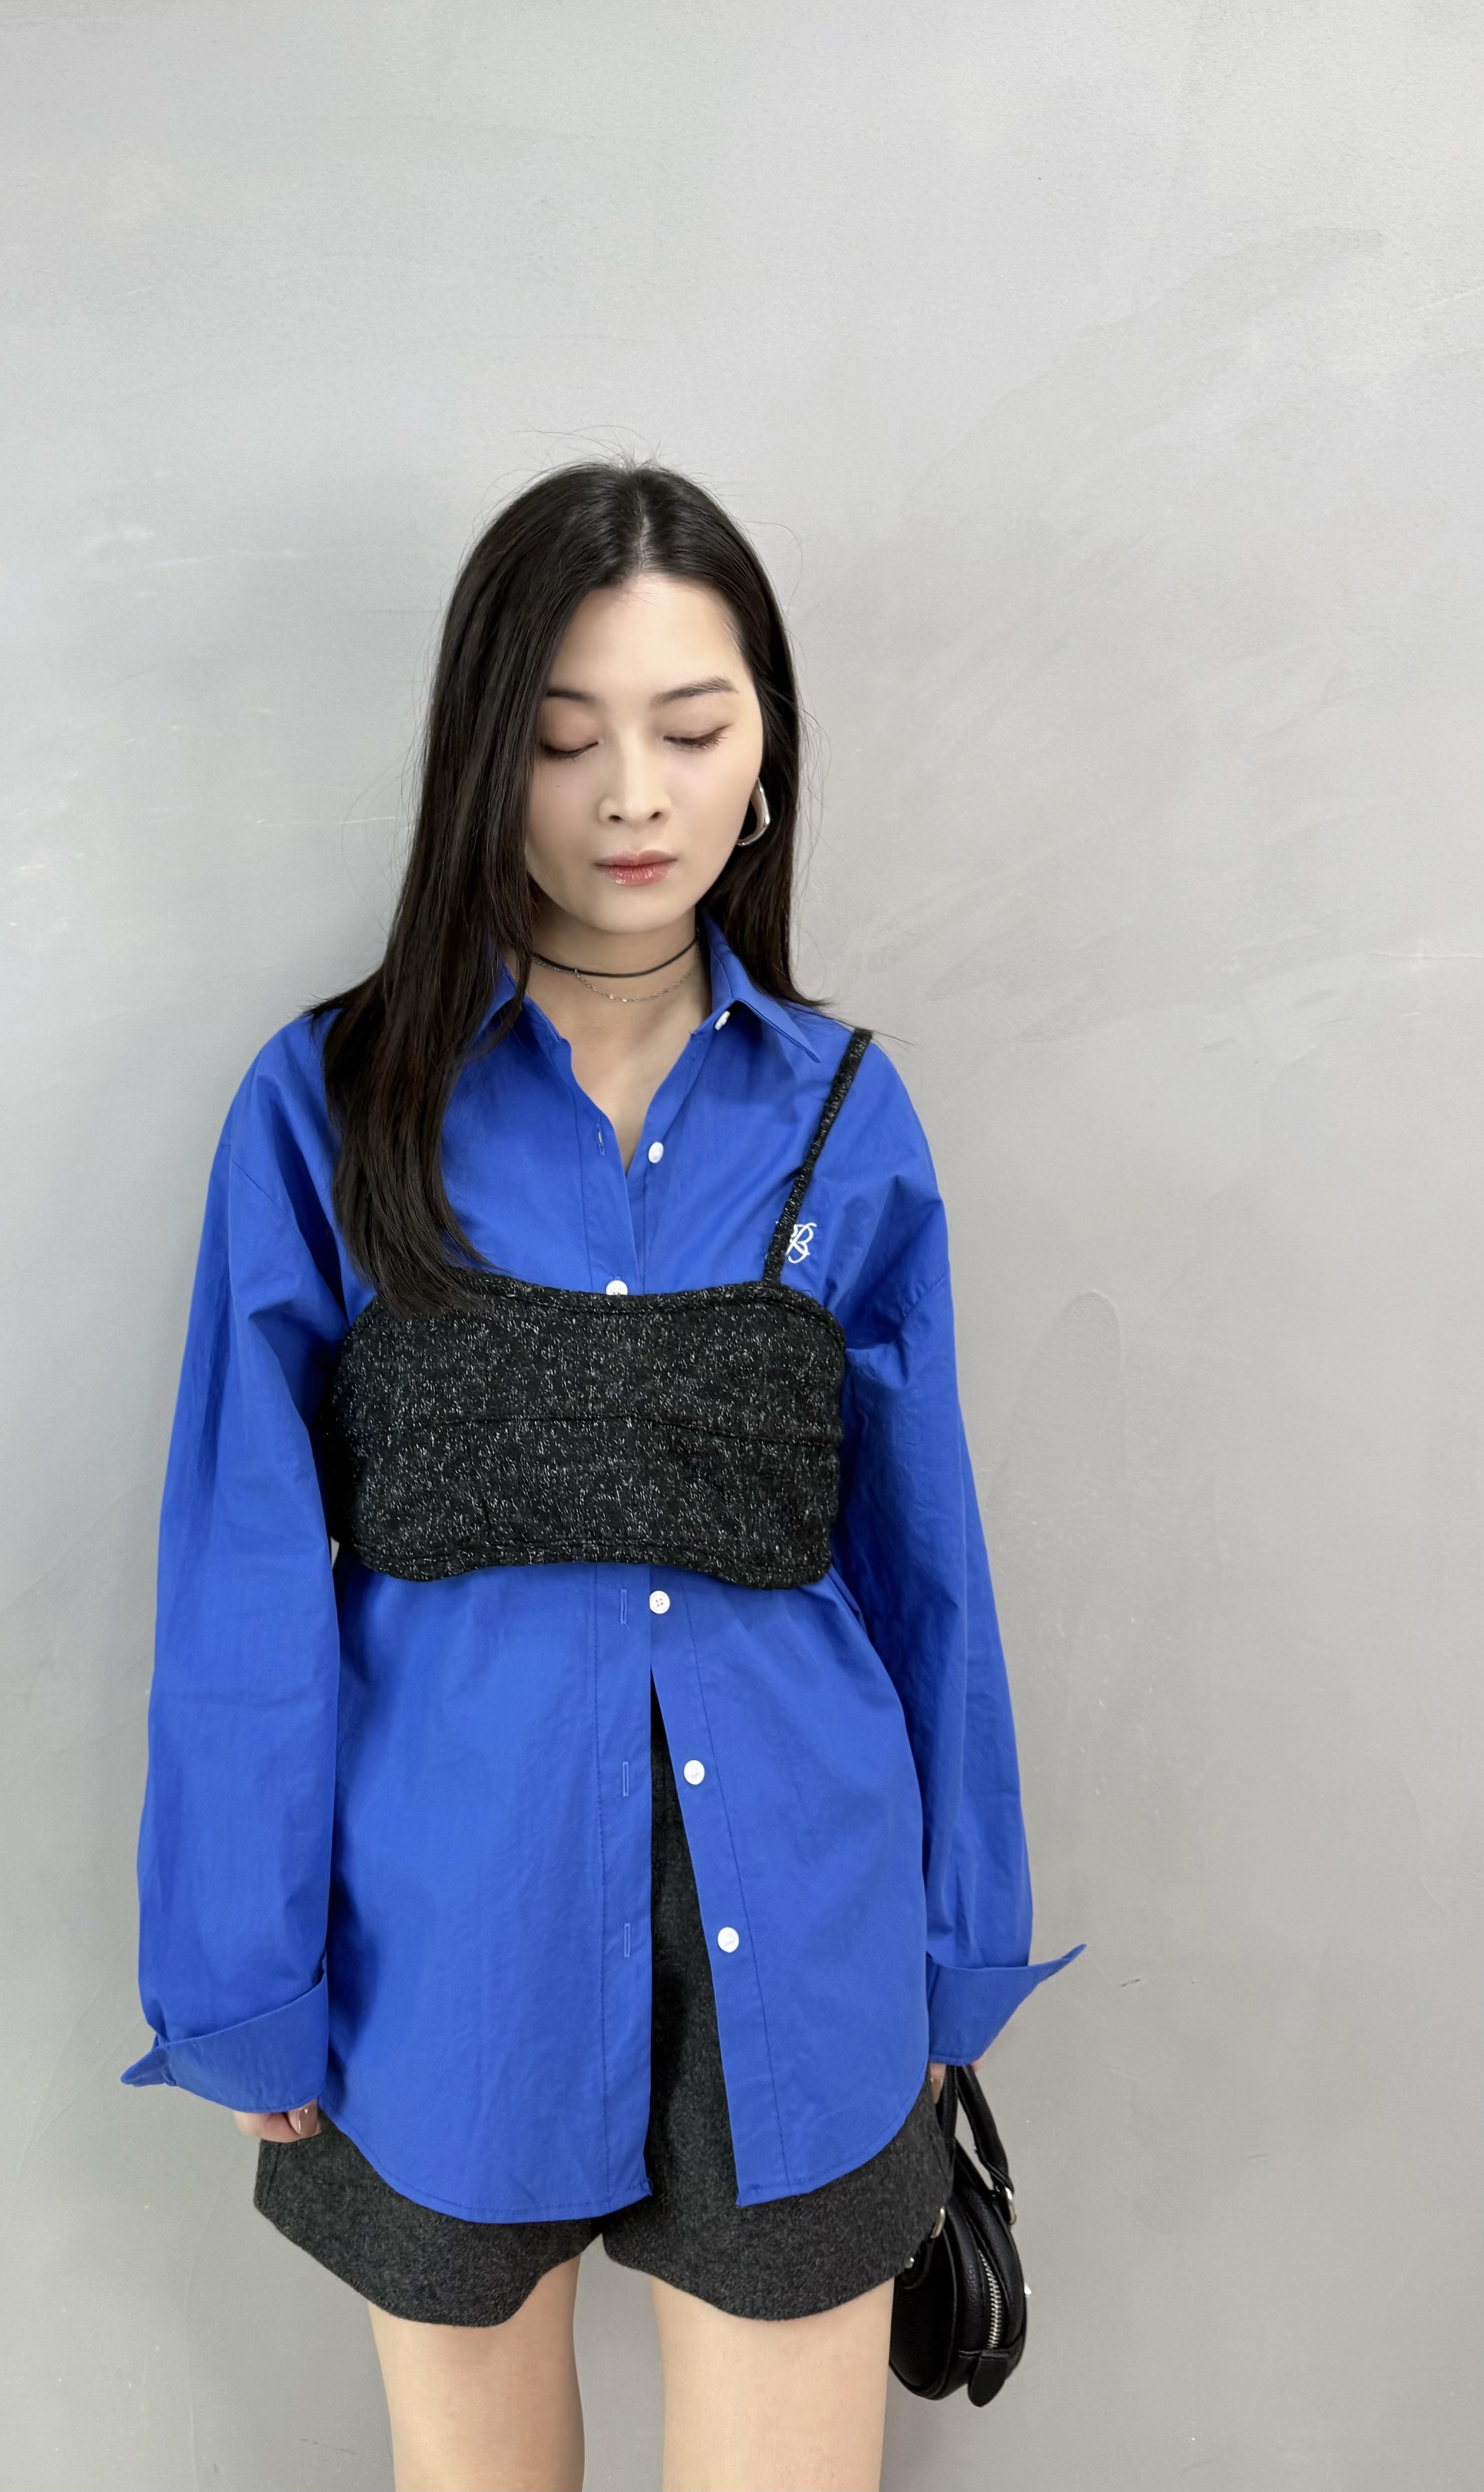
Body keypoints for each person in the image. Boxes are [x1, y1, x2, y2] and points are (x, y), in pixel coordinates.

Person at [122, 461, 1078, 2492]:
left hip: (806, 1926)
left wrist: (953, 1944)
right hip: (445, 1934)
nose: (634, 796)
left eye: (693, 729)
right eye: (565, 739)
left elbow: (927, 1567)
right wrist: (243, 1972)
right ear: (486, 754)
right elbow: (242, 1570)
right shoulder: (330, 1107)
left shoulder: (846, 1113)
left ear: (767, 755)